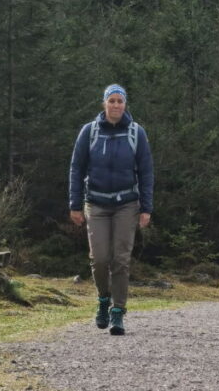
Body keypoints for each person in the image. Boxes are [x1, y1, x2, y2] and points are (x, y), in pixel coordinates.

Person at [69, 84, 154, 336]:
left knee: (120, 259)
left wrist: (146, 208)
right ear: (104, 103)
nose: (116, 105)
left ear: (125, 104)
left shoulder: (136, 133)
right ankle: (103, 301)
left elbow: (147, 172)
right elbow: (76, 168)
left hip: (127, 204)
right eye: (112, 101)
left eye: (120, 101)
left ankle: (118, 311)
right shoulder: (89, 132)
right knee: (100, 259)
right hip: (95, 204)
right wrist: (74, 205)